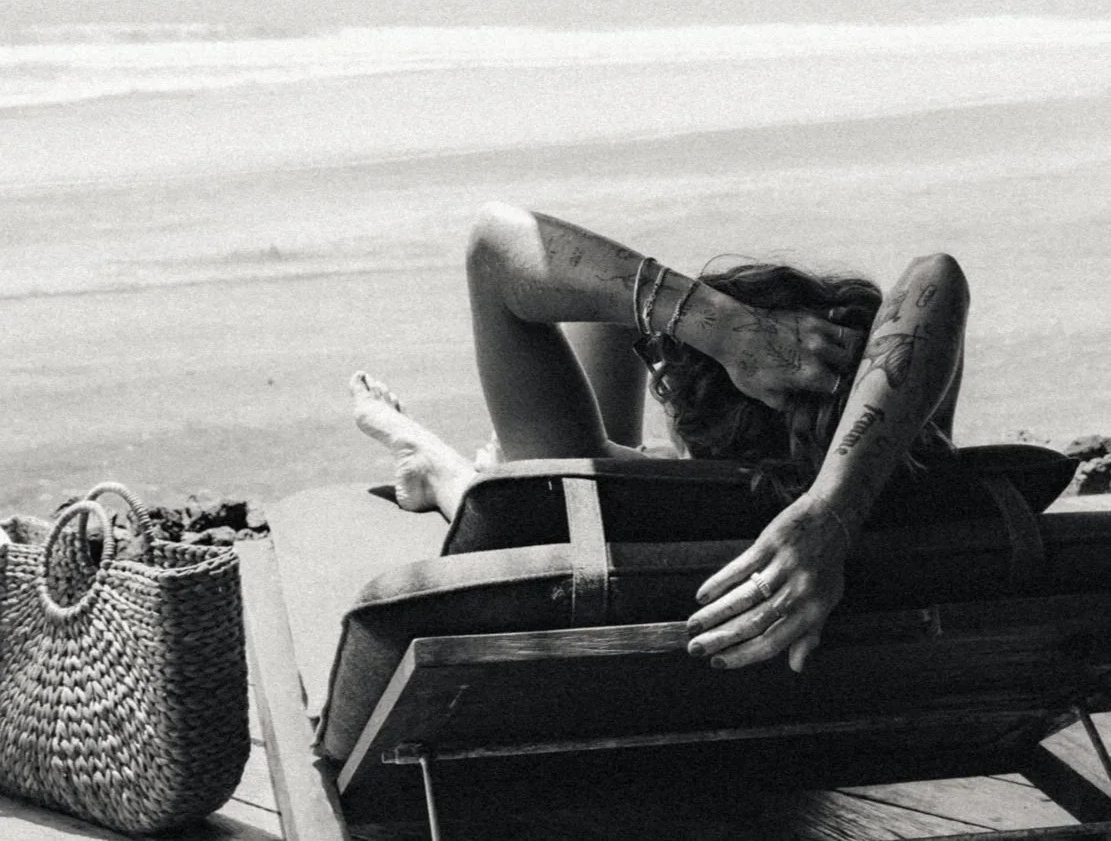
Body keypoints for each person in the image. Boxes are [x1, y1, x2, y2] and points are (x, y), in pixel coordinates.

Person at [351, 201, 969, 675]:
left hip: (618, 550)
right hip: (834, 696)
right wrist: (829, 509)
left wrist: (725, 328)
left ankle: (441, 469)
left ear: (691, 418)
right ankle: (461, 471)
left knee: (528, 473)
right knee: (611, 347)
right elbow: (935, 275)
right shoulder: (906, 473)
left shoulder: (587, 495)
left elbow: (493, 243)